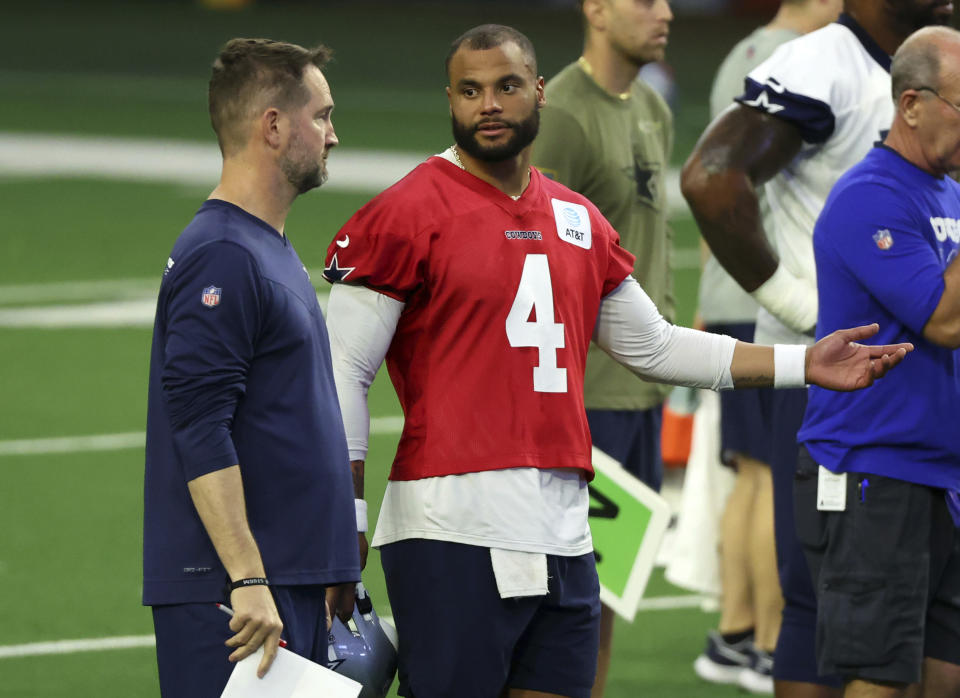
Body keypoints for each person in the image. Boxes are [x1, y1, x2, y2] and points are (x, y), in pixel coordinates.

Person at [323, 24, 910, 698]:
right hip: (451, 523)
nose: (489, 104)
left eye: (507, 86)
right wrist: (348, 522)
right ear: (449, 99)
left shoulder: (577, 219)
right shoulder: (402, 213)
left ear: (539, 91)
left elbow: (655, 346)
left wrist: (802, 364)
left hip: (568, 529)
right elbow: (343, 372)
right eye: (470, 90)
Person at [681, 1, 952, 695]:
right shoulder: (819, 62)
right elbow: (712, 179)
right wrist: (801, 308)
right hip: (833, 381)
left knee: (913, 631)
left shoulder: (935, 95)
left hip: (923, 403)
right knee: (820, 606)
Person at [142, 38, 361, 697]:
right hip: (237, 600)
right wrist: (248, 577)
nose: (334, 135)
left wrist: (324, 563)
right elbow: (200, 427)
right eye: (320, 116)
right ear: (273, 125)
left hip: (281, 584)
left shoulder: (263, 248)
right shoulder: (224, 256)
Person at [797, 25, 960, 697]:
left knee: (945, 674)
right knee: (881, 677)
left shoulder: (948, 193)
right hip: (874, 466)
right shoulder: (871, 197)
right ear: (912, 103)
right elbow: (945, 322)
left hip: (940, 472)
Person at [692, 1, 841, 693]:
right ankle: (767, 637)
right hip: (758, 301)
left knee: (749, 471)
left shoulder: (758, 55)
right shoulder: (780, 63)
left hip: (738, 296)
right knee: (765, 477)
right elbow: (722, 178)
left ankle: (738, 629)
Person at [529, 2, 674, 691]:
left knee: (607, 596)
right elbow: (528, 251)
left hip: (642, 390)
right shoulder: (559, 112)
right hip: (584, 398)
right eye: (645, 0)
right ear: (596, 9)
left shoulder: (652, 105)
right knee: (563, 601)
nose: (667, 12)